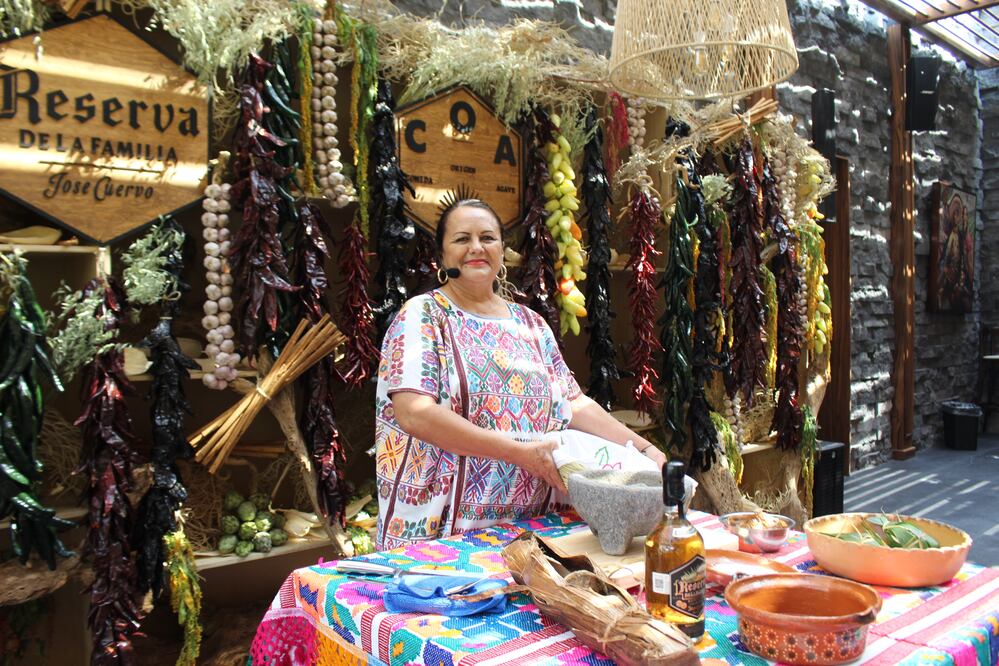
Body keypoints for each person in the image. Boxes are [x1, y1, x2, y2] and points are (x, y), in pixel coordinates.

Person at [374, 199, 666, 550]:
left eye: (488, 237)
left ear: (501, 250)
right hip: (443, 535)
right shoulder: (423, 316)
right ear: (442, 255)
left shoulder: (531, 325)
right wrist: (517, 453)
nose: (476, 248)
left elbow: (573, 403)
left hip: (529, 530)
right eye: (462, 239)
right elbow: (414, 413)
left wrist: (643, 448)